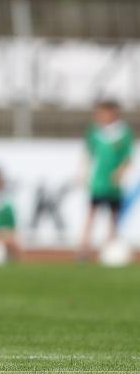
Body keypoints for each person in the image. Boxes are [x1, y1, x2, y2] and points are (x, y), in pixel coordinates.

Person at [79, 100, 132, 261]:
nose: (101, 116)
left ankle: (111, 247)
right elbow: (88, 154)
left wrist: (119, 173)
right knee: (91, 215)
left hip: (114, 185)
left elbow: (127, 158)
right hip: (98, 182)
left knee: (114, 217)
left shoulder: (123, 133)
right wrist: (84, 174)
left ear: (113, 113)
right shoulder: (95, 132)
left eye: (104, 113)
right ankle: (84, 249)